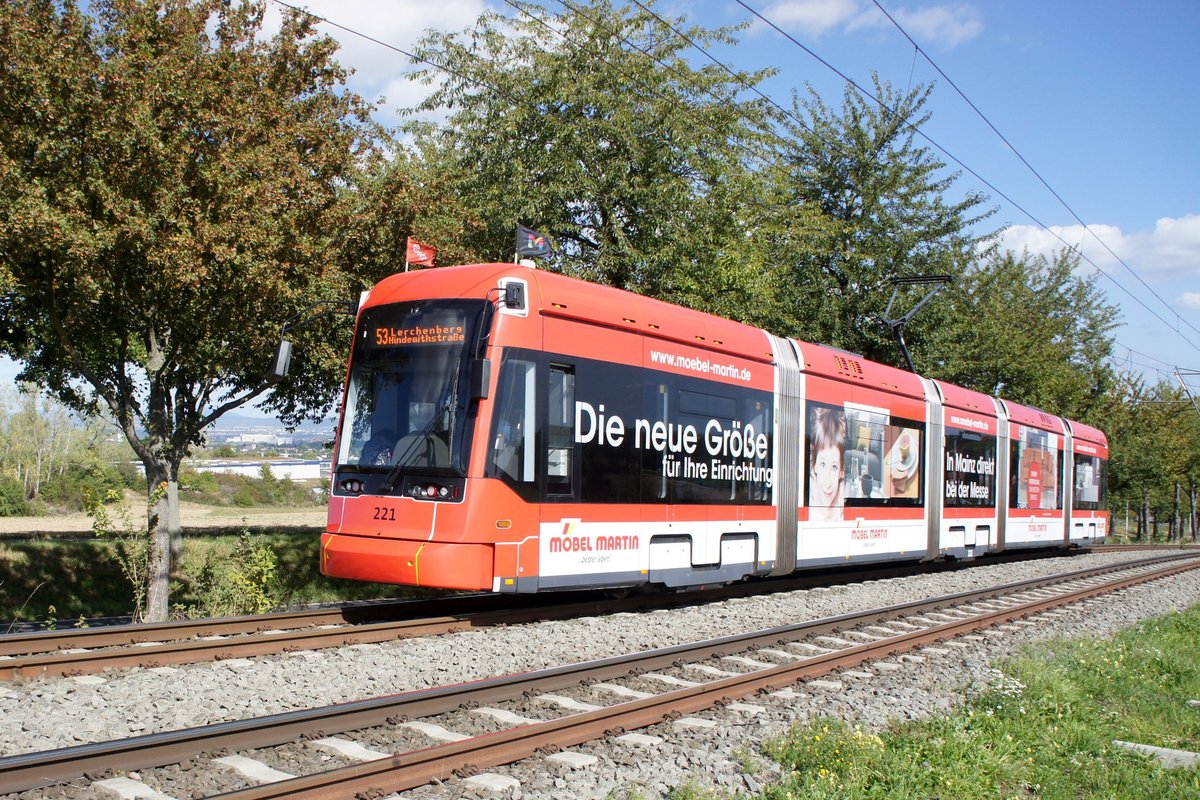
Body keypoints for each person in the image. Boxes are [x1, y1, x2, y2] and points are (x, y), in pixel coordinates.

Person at [808, 406, 846, 522]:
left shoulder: (843, 511)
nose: (828, 483)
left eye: (834, 467)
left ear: (841, 471)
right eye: (823, 465)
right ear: (814, 466)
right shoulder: (810, 509)